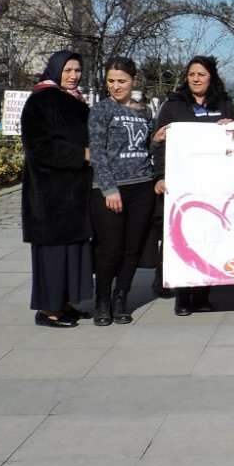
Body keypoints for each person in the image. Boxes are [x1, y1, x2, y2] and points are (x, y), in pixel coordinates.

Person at [152, 56, 234, 316]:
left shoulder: (225, 104)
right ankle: (184, 296)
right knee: (181, 239)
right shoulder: (172, 105)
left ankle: (202, 294)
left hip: (214, 185)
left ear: (211, 76)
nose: (196, 79)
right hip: (181, 184)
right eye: (191, 74)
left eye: (201, 74)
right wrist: (159, 176)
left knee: (209, 238)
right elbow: (160, 143)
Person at [22, 51, 93, 328]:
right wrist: (81, 155)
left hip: (73, 191)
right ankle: (48, 310)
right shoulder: (41, 99)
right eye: (68, 70)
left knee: (70, 251)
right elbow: (38, 145)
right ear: (55, 71)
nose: (73, 76)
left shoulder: (73, 100)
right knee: (52, 253)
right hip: (49, 193)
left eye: (77, 70)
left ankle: (64, 303)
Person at [87, 57, 155, 326]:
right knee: (110, 248)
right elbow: (98, 153)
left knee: (132, 247)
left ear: (133, 81)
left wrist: (157, 139)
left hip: (142, 186)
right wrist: (109, 188)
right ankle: (102, 300)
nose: (116, 86)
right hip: (111, 189)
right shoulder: (101, 110)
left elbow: (146, 148)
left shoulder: (144, 111)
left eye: (121, 81)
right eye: (111, 81)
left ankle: (121, 297)